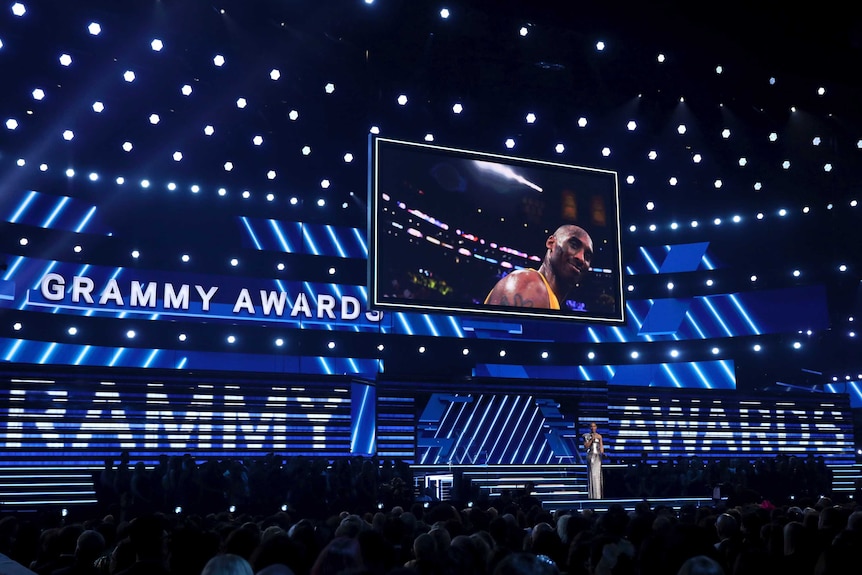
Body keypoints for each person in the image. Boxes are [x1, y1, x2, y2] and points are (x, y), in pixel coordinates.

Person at [484, 224, 593, 309]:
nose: (581, 258)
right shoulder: (530, 284)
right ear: (551, 243)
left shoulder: (548, 297)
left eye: (587, 256)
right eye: (573, 245)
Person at [583, 422, 605, 499]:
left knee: (597, 475)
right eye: (591, 426)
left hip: (598, 457)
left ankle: (598, 496)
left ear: (596, 427)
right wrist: (592, 439)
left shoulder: (599, 436)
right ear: (590, 428)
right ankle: (592, 496)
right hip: (591, 456)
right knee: (592, 474)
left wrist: (603, 453)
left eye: (594, 426)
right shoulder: (586, 436)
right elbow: (586, 446)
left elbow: (601, 446)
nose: (593, 428)